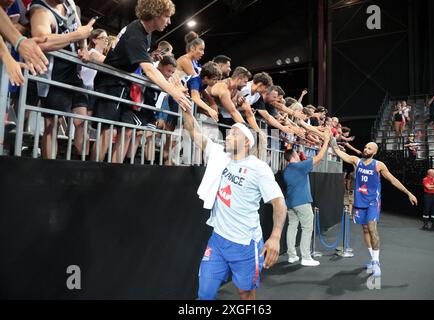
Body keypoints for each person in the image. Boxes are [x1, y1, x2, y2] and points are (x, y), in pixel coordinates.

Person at [180, 107, 287, 300]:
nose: (228, 136)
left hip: (245, 244)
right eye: (228, 133)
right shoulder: (220, 155)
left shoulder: (258, 168)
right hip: (218, 240)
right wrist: (186, 108)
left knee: (245, 294)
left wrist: (276, 236)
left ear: (247, 142)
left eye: (234, 134)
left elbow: (279, 202)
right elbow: (195, 133)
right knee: (204, 293)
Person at [91, 0, 191, 162]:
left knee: (127, 131)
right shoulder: (136, 33)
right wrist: (174, 92)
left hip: (124, 84)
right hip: (111, 83)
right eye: (166, 16)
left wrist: (149, 56)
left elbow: (134, 57)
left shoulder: (145, 32)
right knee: (107, 132)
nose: (169, 21)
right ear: (155, 15)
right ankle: (92, 172)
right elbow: (150, 70)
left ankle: (113, 172)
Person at [331, 139, 418, 277]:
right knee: (365, 230)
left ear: (375, 152)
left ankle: (376, 262)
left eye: (369, 148)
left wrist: (408, 193)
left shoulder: (378, 165)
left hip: (372, 201)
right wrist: (331, 139)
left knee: (372, 228)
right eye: (365, 147)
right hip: (359, 201)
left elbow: (393, 180)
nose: (366, 149)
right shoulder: (356, 161)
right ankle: (372, 258)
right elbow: (338, 152)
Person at [30, 0, 95, 159]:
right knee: (53, 125)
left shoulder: (69, 3)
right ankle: (49, 168)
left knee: (82, 123)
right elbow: (41, 41)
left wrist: (84, 47)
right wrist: (77, 35)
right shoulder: (40, 10)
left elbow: (81, 29)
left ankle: (82, 166)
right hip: (54, 74)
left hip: (74, 73)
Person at [283, 129, 331, 266]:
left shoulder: (287, 169)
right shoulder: (299, 166)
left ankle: (292, 255)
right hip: (302, 202)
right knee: (307, 228)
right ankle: (306, 257)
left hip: (291, 203)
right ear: (293, 156)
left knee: (292, 227)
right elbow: (319, 157)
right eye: (297, 154)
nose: (299, 155)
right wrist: (326, 141)